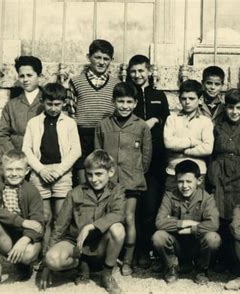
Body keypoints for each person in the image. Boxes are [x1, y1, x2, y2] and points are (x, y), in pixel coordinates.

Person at [40, 150, 125, 293]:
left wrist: (91, 227)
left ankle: (107, 274)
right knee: (52, 259)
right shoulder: (75, 193)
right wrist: (47, 265)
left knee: (118, 229)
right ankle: (81, 265)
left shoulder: (117, 190)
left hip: (100, 246)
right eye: (89, 174)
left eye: (99, 174)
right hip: (76, 245)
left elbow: (118, 214)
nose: (94, 179)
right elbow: (60, 226)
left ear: (110, 172)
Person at [95, 81, 152, 275]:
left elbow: (146, 156)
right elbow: (98, 154)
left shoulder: (141, 126)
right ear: (113, 101)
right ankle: (107, 257)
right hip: (108, 182)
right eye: (121, 101)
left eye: (129, 101)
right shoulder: (103, 124)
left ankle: (127, 260)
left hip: (131, 180)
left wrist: (134, 173)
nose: (125, 106)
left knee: (128, 218)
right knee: (107, 218)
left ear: (135, 103)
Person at [22, 83, 81, 253]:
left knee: (61, 217)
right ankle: (42, 255)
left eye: (57, 104)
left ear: (63, 103)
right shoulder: (34, 123)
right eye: (49, 104)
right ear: (43, 102)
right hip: (41, 173)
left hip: (61, 174)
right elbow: (26, 149)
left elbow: (76, 150)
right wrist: (41, 170)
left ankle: (56, 253)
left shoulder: (69, 123)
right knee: (44, 217)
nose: (54, 108)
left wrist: (59, 171)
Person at [126, 54, 170, 268]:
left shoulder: (158, 95)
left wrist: (156, 120)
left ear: (149, 71)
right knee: (131, 208)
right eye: (133, 71)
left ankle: (145, 250)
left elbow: (167, 119)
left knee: (150, 207)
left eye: (141, 70)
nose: (137, 75)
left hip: (155, 161)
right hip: (131, 160)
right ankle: (131, 252)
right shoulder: (126, 94)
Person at [208, 88, 240, 271]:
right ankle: (218, 260)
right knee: (219, 214)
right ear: (225, 107)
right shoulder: (217, 128)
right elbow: (211, 153)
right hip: (219, 174)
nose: (234, 112)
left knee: (236, 216)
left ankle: (235, 261)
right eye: (230, 107)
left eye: (239, 108)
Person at [0, 150, 44, 290]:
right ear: (2, 169)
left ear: (27, 170)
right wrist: (21, 221)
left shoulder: (32, 190)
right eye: (9, 169)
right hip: (6, 237)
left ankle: (24, 265)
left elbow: (39, 224)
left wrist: (25, 239)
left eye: (18, 169)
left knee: (27, 254)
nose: (14, 173)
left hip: (26, 238)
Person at [152, 160, 221, 284]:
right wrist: (184, 223)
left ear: (199, 181)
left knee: (213, 238)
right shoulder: (169, 196)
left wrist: (191, 229)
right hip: (176, 244)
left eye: (189, 181)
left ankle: (201, 270)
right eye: (180, 181)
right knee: (158, 236)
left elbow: (213, 224)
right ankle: (172, 267)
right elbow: (159, 222)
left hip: (197, 245)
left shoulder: (207, 198)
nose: (184, 186)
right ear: (175, 181)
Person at [65, 39, 121, 184]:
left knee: (105, 172)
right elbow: (70, 111)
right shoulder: (76, 82)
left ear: (111, 60)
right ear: (88, 57)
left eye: (106, 59)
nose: (101, 62)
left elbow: (119, 111)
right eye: (97, 57)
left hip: (106, 134)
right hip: (82, 134)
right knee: (83, 176)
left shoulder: (117, 84)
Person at [163, 79, 214, 191]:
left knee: (196, 206)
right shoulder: (172, 119)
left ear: (200, 100)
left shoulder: (205, 121)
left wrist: (186, 151)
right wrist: (192, 142)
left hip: (198, 173)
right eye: (184, 98)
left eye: (191, 98)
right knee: (172, 205)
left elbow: (207, 148)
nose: (187, 102)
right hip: (173, 172)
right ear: (179, 99)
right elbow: (168, 143)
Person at [0, 56, 44, 152]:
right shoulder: (11, 105)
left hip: (43, 161)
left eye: (29, 75)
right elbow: (2, 134)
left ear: (39, 76)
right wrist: (14, 155)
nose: (25, 79)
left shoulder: (48, 102)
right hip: (17, 161)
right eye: (22, 76)